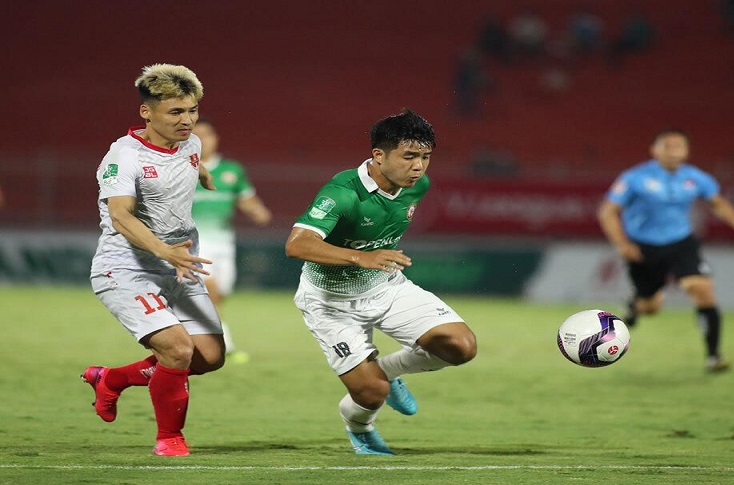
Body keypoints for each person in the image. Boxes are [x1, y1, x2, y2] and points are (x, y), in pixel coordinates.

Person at [285, 109, 478, 455]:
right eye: (409, 156)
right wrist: (360, 257)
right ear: (378, 155)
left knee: (461, 346)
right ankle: (360, 428)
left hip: (387, 287)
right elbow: (296, 245)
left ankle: (387, 371)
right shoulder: (342, 193)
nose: (418, 167)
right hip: (330, 302)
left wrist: (372, 260)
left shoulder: (417, 186)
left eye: (425, 157)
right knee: (373, 393)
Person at [82, 64, 225, 456]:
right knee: (177, 350)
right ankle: (169, 439)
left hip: (177, 265)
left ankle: (111, 379)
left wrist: (204, 174)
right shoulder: (122, 157)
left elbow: (186, 160)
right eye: (175, 112)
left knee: (210, 357)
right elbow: (121, 216)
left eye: (192, 111)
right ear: (147, 112)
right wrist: (163, 250)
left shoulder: (190, 143)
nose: (187, 120)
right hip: (126, 268)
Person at [597, 128, 734, 373]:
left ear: (687, 151)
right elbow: (608, 211)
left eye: (679, 147)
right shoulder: (634, 178)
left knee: (702, 290)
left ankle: (714, 356)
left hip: (681, 243)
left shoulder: (696, 178)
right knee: (650, 308)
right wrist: (622, 244)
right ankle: (635, 305)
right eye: (668, 146)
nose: (674, 152)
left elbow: (717, 203)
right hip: (644, 248)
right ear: (654, 150)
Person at [192, 118, 272, 364]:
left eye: (207, 135)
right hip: (195, 243)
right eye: (197, 135)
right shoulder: (183, 168)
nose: (203, 140)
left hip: (224, 243)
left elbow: (246, 197)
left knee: (222, 292)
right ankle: (224, 344)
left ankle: (193, 331)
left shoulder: (232, 170)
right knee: (211, 292)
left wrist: (257, 211)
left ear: (216, 139)